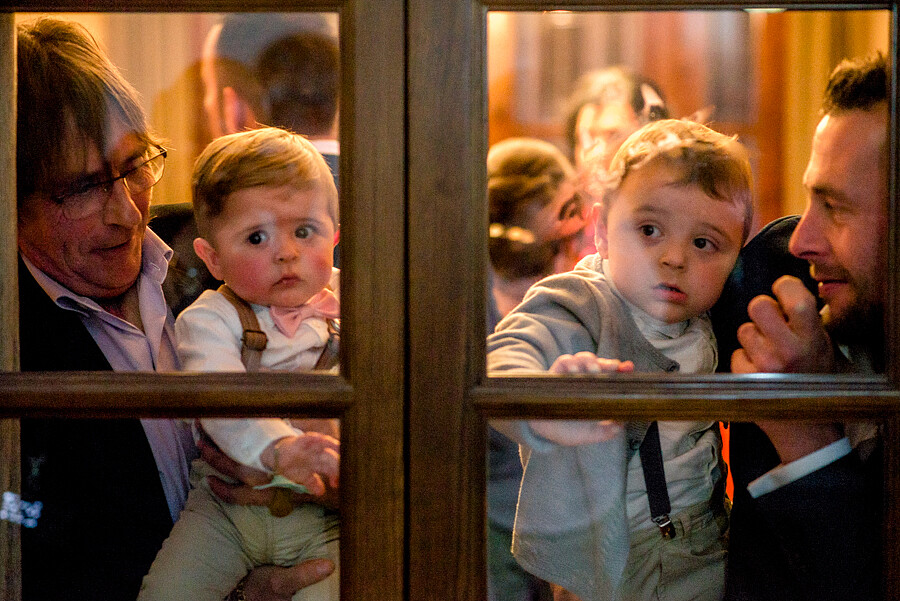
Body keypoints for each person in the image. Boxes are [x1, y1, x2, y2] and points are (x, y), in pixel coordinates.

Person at [15, 17, 333, 601]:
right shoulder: (13, 339)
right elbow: (27, 546)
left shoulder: (235, 244)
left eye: (135, 166)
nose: (129, 213)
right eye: (81, 188)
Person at [487, 119, 754, 601]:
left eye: (704, 243)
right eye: (649, 229)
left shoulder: (713, 313)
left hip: (705, 544)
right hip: (607, 557)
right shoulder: (582, 301)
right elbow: (508, 352)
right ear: (601, 230)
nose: (674, 257)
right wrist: (545, 397)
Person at [139, 127, 342, 601]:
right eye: (256, 237)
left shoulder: (360, 305)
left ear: (334, 236)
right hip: (223, 514)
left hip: (325, 517)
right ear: (213, 259)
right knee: (166, 593)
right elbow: (221, 400)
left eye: (304, 231)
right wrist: (280, 449)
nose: (286, 251)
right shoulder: (210, 319)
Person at [716, 52, 887, 601]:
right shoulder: (770, 277)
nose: (801, 240)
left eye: (835, 207)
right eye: (810, 198)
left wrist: (806, 434)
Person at [155, 13, 341, 314]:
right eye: (257, 238)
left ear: (234, 109)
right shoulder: (406, 210)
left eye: (208, 92)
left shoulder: (191, 244)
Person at [486, 137, 587, 601]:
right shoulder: (461, 299)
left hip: (567, 522)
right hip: (484, 525)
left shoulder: (581, 297)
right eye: (567, 215)